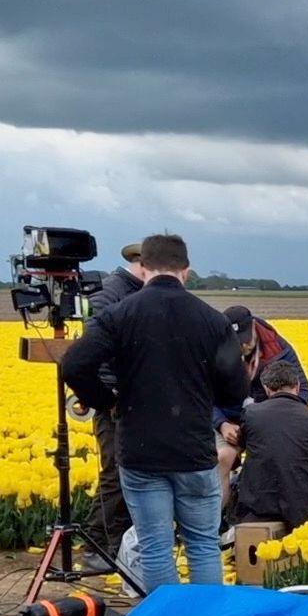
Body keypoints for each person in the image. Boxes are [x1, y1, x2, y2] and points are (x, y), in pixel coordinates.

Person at [61, 233, 248, 591]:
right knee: (203, 545)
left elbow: (74, 365)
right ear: (187, 271)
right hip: (193, 449)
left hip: (140, 449)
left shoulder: (118, 315)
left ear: (143, 268)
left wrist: (106, 400)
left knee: (156, 548)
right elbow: (236, 390)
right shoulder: (212, 321)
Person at [77, 242, 147, 570]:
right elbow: (92, 349)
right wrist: (111, 393)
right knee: (115, 471)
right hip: (113, 401)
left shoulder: (131, 292)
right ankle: (96, 546)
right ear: (143, 265)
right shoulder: (110, 293)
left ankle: (115, 545)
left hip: (133, 399)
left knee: (127, 470)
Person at [214, 305, 308, 515]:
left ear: (254, 329)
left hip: (268, 421)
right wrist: (221, 424)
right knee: (224, 456)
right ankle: (213, 523)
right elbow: (201, 396)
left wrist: (272, 414)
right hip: (229, 421)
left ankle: (278, 514)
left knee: (279, 458)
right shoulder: (213, 350)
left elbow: (304, 392)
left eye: (245, 340)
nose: (243, 346)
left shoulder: (278, 349)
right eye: (236, 343)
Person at [231, 360, 308, 529]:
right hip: (305, 514)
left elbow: (240, 445)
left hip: (257, 509)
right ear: (298, 386)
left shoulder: (251, 415)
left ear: (266, 388)